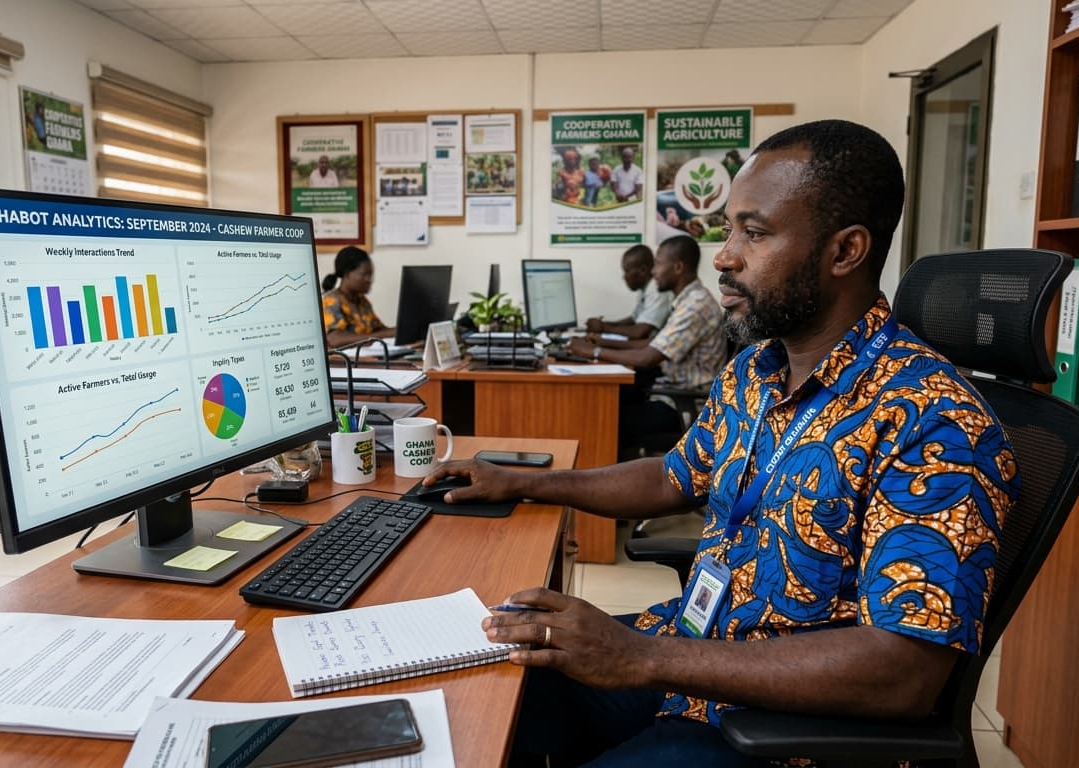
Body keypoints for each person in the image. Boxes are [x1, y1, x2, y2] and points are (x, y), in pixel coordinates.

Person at [422, 119, 1019, 765]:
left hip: (779, 726)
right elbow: (672, 478)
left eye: (754, 233)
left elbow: (901, 673)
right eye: (729, 229)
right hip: (696, 647)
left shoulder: (936, 421)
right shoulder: (756, 369)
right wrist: (522, 482)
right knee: (488, 684)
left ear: (844, 251)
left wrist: (645, 657)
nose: (726, 256)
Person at [569, 235, 728, 456]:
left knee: (603, 417)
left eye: (659, 263)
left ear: (678, 267)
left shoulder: (695, 306)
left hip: (682, 406)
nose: (653, 272)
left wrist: (594, 351)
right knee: (612, 401)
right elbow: (653, 344)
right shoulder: (687, 300)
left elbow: (648, 357)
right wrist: (601, 344)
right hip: (672, 394)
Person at [585, 244, 671, 340]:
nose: (624, 277)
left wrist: (603, 328)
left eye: (627, 271)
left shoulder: (656, 289)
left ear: (643, 270)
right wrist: (603, 324)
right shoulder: (645, 289)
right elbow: (634, 319)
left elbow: (639, 332)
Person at [320, 246, 390, 347]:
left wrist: (404, 330)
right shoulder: (331, 300)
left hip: (365, 358)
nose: (369, 280)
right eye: (365, 274)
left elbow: (380, 330)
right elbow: (334, 339)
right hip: (343, 361)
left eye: (370, 275)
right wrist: (378, 336)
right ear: (347, 274)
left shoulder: (362, 301)